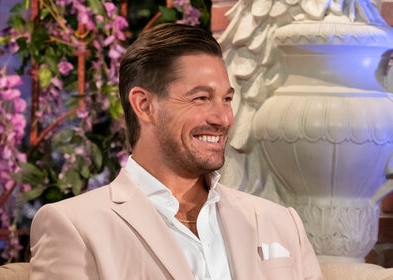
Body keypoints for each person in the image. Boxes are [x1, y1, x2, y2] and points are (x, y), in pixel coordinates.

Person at [29, 23, 324, 280]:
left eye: (226, 99)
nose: (223, 118)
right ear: (144, 105)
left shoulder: (281, 222)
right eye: (201, 98)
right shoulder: (74, 226)